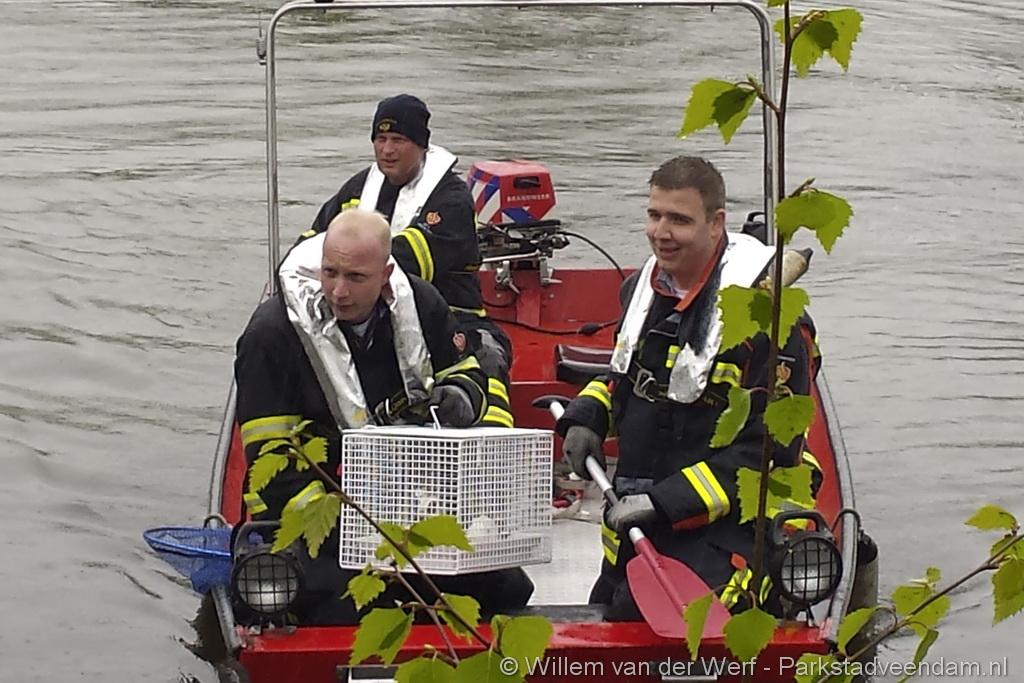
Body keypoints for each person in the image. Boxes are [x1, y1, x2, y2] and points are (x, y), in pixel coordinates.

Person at [235, 209, 533, 625]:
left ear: (386, 275)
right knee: (333, 607)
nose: (339, 291)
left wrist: (461, 395)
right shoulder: (271, 336)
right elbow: (272, 467)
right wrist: (356, 531)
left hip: (410, 504)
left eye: (356, 277)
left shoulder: (421, 304)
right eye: (330, 272)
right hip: (312, 519)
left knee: (509, 590)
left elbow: (466, 370)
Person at [555, 156, 820, 619]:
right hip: (633, 528)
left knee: (674, 638)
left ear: (716, 224)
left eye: (679, 220)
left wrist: (663, 503)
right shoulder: (644, 291)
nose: (661, 232)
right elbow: (628, 379)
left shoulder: (769, 322)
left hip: (721, 538)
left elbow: (769, 453)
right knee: (604, 621)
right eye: (654, 215)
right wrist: (589, 416)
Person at [303, 93, 514, 429]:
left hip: (449, 317)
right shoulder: (357, 189)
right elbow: (309, 245)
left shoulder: (451, 199)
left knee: (487, 354)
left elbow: (405, 263)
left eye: (398, 140)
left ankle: (489, 439)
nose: (387, 150)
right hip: (366, 315)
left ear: (421, 145)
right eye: (380, 139)